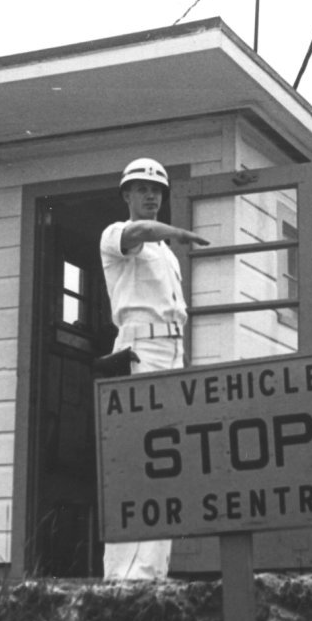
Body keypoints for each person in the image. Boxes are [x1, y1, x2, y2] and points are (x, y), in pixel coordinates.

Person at [99, 157, 209, 580]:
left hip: (171, 352)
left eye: (157, 190)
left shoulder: (167, 255)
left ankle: (153, 572)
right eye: (142, 188)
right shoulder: (116, 236)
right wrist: (177, 231)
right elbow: (141, 231)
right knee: (135, 461)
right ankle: (125, 577)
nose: (151, 196)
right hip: (139, 350)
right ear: (126, 194)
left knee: (167, 463)